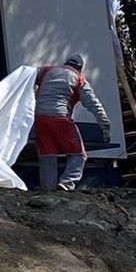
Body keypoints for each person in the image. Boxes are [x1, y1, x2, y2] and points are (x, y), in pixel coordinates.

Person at [33, 53, 111, 191]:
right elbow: (94, 104)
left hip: (39, 119)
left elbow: (27, 77)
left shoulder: (45, 71)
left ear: (66, 62)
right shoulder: (79, 79)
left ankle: (48, 189)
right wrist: (105, 124)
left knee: (47, 155)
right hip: (60, 119)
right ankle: (67, 183)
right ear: (80, 68)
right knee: (78, 154)